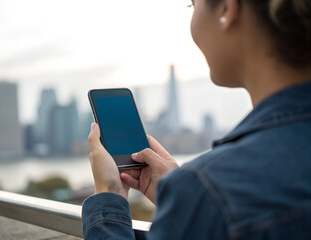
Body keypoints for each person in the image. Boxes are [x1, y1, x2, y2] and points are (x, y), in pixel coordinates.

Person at [82, 0, 311, 239]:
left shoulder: (209, 190)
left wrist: (109, 196)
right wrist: (183, 200)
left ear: (226, 8)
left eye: (192, 5)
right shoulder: (205, 192)